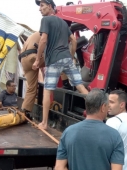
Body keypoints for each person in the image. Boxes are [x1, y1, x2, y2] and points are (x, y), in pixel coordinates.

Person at [33, 0, 89, 130]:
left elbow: (43, 40)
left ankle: (44, 123)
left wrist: (37, 60)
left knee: (47, 91)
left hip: (53, 60)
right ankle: (95, 116)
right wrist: (70, 56)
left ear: (51, 7)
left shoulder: (46, 20)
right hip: (66, 59)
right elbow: (74, 40)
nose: (39, 9)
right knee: (80, 87)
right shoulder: (64, 23)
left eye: (42, 6)